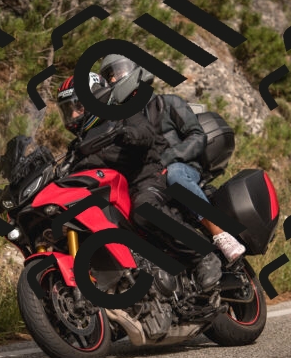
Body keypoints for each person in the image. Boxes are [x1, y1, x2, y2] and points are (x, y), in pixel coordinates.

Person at [55, 72, 223, 292]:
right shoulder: (78, 146)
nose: (73, 114)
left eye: (77, 106)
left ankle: (203, 256)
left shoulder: (122, 114)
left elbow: (145, 133)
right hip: (114, 191)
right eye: (68, 110)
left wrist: (128, 134)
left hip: (146, 176)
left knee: (144, 208)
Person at [99, 54, 246, 268]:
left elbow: (198, 136)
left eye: (117, 73)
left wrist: (168, 158)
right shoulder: (121, 123)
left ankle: (220, 234)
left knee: (175, 174)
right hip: (151, 179)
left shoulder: (168, 103)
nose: (114, 80)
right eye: (109, 77)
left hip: (184, 168)